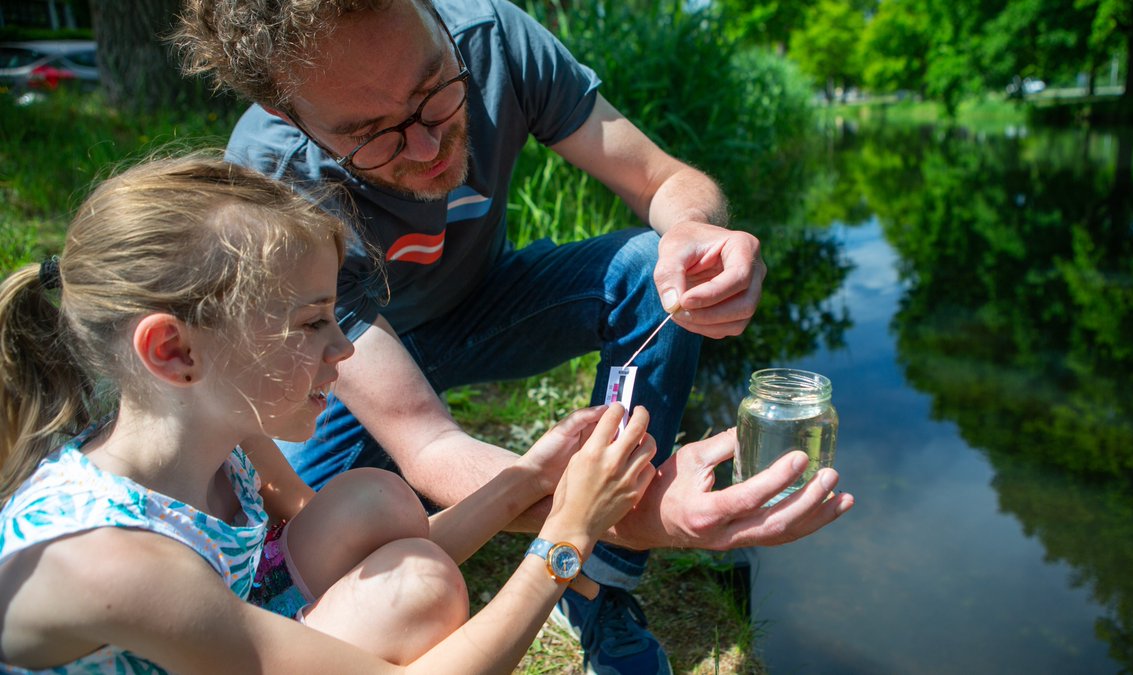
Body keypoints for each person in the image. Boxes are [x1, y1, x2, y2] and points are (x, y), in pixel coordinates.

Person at [175, 1, 855, 671]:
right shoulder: (270, 173)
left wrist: (696, 232)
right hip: (350, 364)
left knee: (652, 269)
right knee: (324, 541)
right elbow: (426, 439)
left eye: (434, 88)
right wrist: (632, 510)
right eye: (372, 132)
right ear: (290, 116)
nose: (426, 143)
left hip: (485, 309)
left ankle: (600, 586)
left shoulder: (493, 37)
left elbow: (663, 179)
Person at [0, 154, 671, 673]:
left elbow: (399, 548)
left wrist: (525, 479)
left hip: (221, 639)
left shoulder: (215, 436)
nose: (344, 347)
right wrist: (564, 538)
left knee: (377, 504)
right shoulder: (110, 562)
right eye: (313, 321)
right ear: (175, 350)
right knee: (424, 588)